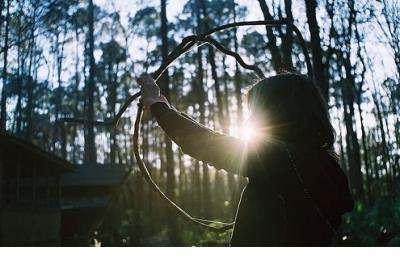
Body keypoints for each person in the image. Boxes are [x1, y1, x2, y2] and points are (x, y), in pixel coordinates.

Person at [137, 73, 354, 246]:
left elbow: (207, 144)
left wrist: (159, 107)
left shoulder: (280, 158)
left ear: (280, 113)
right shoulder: (325, 165)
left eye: (257, 111)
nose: (251, 118)